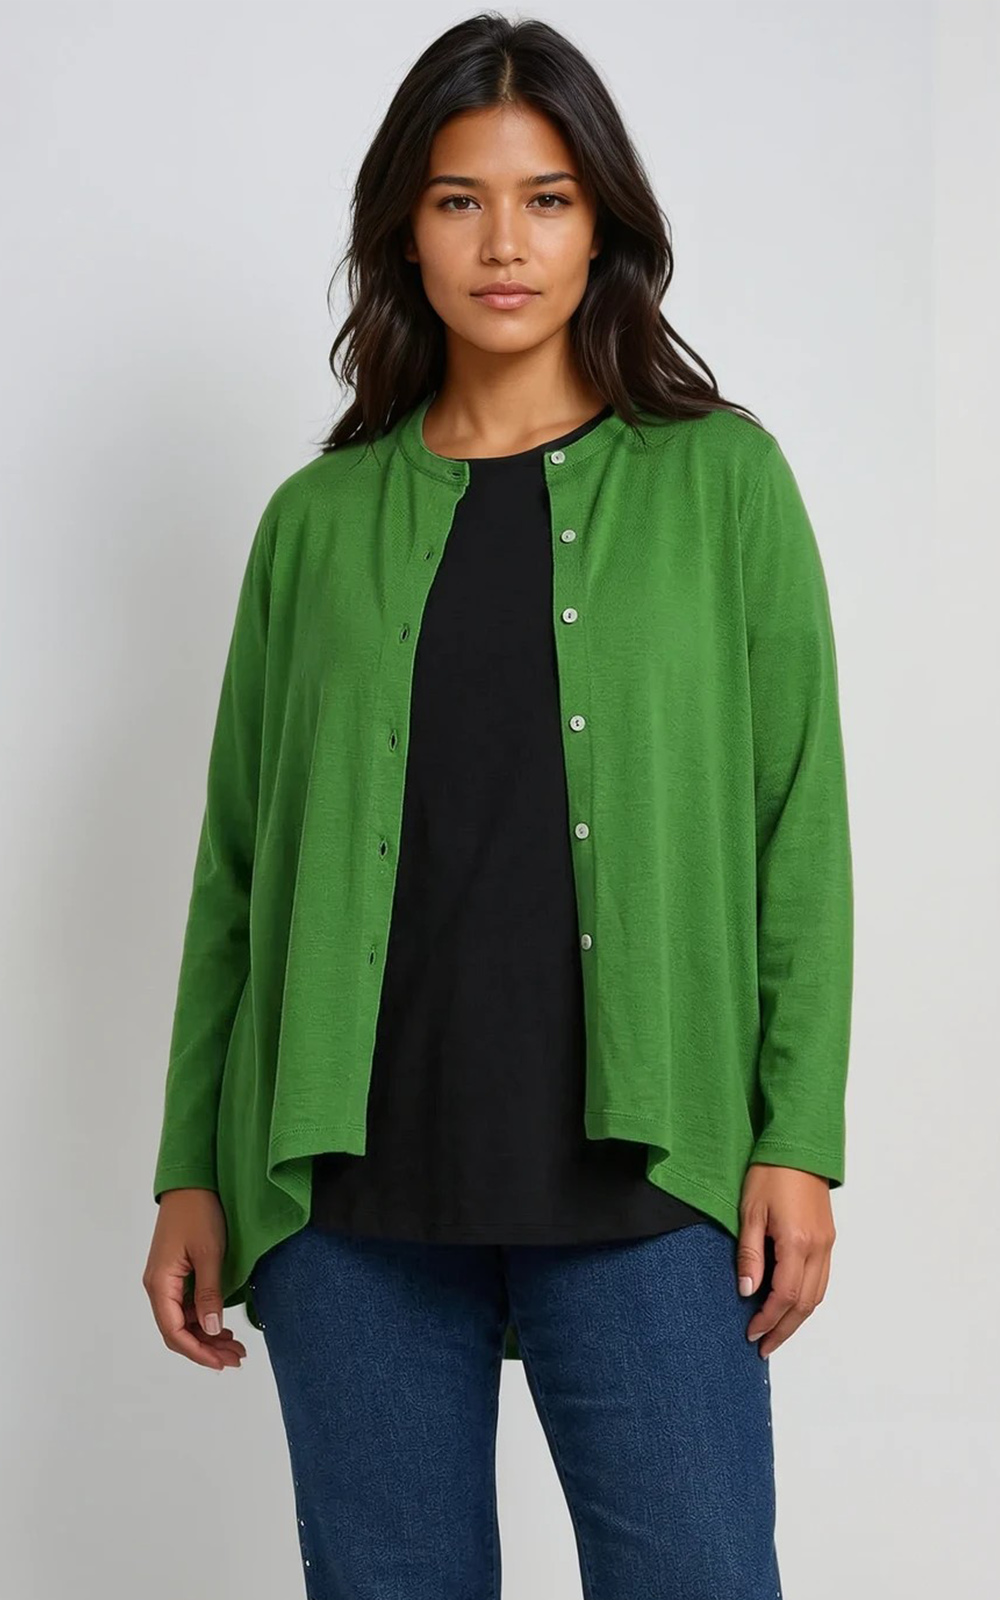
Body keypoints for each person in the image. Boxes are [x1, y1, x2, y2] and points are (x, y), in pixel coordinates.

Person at [143, 13, 853, 1598]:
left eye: (547, 198)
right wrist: (192, 1165)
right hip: (347, 1195)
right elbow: (237, 869)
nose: (505, 243)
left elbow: (797, 823)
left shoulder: (722, 484)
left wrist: (797, 1136)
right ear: (407, 227)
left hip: (650, 1173)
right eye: (460, 199)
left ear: (603, 224)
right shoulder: (315, 523)